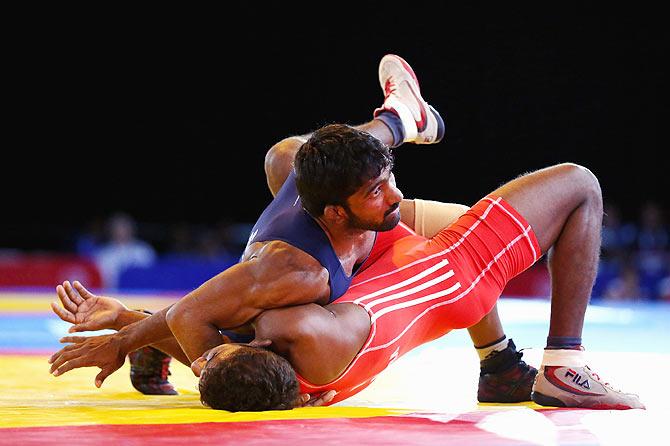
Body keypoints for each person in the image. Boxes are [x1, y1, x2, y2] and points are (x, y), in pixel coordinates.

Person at [48, 54, 537, 405]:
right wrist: (126, 327)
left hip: (330, 240)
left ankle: (399, 118)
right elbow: (207, 332)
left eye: (204, 364)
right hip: (328, 243)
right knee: (288, 158)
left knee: (302, 160)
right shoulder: (280, 315)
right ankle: (500, 364)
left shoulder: (291, 284)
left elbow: (192, 316)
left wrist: (125, 336)